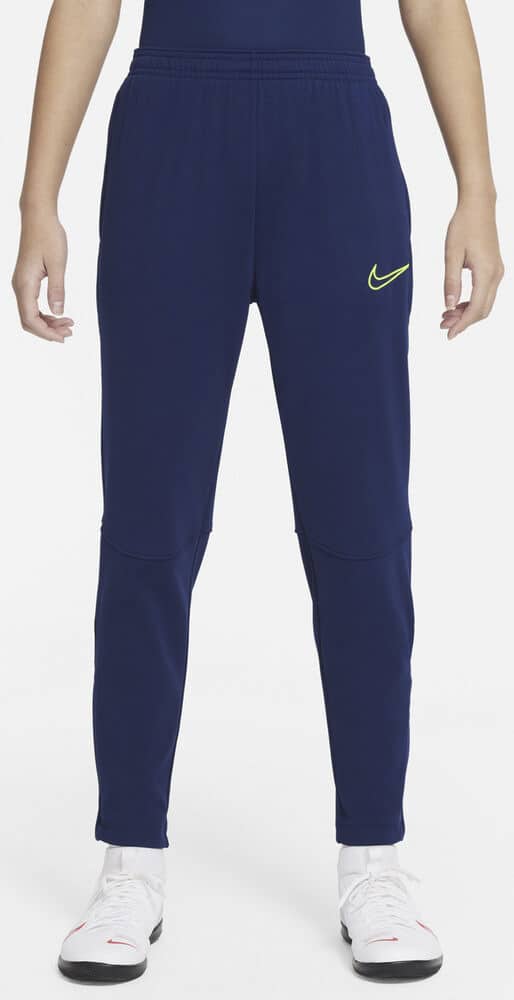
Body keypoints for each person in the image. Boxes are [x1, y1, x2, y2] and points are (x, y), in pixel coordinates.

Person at [12, 0, 503, 986]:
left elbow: (432, 7)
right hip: (169, 141)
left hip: (334, 150)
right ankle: (129, 861)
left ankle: (374, 858)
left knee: (362, 522)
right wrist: (37, 203)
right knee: (148, 521)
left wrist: (477, 193)